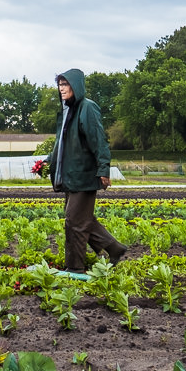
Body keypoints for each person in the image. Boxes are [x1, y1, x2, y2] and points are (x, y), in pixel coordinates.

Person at [47, 69, 127, 273]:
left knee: (74, 221)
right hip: (70, 175)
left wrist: (103, 169)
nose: (62, 88)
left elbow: (99, 140)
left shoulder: (87, 108)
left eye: (66, 84)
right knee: (83, 219)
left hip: (84, 175)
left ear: (76, 86)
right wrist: (48, 161)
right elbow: (62, 144)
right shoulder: (67, 111)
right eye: (60, 85)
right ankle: (114, 249)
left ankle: (75, 268)